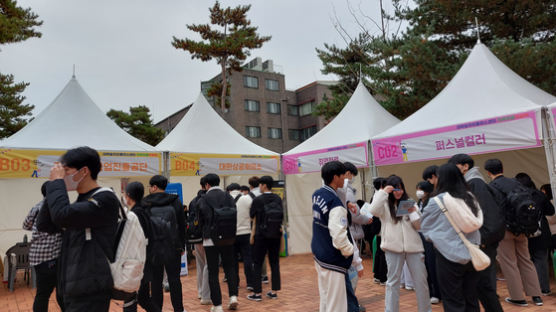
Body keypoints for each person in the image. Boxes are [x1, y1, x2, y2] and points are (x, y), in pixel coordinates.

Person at [35, 146, 119, 312]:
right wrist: (52, 186)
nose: (62, 175)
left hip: (91, 289)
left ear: (84, 171)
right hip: (73, 287)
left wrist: (56, 184)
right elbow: (45, 224)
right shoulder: (81, 201)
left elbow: (61, 215)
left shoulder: (105, 198)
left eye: (66, 170)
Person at [421, 163, 483, 312]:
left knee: (453, 300)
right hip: (472, 252)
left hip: (448, 255)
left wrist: (438, 239)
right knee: (471, 298)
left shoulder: (436, 201)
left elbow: (425, 228)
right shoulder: (470, 197)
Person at [449, 153, 505, 312]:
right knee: (481, 288)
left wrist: (484, 240)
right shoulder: (471, 184)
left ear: (465, 166)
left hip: (483, 243)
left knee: (485, 288)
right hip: (481, 242)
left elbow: (489, 216)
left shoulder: (475, 184)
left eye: (455, 166)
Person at [484, 159, 543, 306]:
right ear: (502, 168)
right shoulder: (516, 183)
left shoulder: (492, 187)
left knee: (509, 263)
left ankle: (518, 298)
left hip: (505, 230)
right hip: (523, 228)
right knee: (526, 260)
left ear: (488, 172)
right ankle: (536, 296)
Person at [369, 175, 431, 312]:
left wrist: (414, 213)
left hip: (414, 248)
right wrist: (383, 192)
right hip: (392, 248)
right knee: (392, 283)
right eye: (395, 188)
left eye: (400, 188)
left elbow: (419, 226)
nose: (398, 191)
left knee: (421, 282)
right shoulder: (384, 204)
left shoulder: (409, 202)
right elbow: (372, 210)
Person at [312, 161, 354, 312]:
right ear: (336, 177)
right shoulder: (335, 203)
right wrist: (350, 251)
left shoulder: (317, 194)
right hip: (332, 258)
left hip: (320, 254)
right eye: (343, 176)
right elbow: (338, 236)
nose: (345, 179)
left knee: (325, 297)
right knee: (337, 305)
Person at [143, 175, 185, 312]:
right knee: (174, 280)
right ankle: (178, 309)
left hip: (153, 248)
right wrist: (182, 245)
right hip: (173, 246)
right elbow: (181, 225)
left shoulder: (145, 203)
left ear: (154, 187)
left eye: (150, 186)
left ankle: (157, 309)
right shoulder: (175, 201)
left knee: (155, 282)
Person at [198, 173, 239, 312]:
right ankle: (233, 296)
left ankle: (218, 305)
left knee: (213, 272)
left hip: (210, 239)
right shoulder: (228, 196)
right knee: (230, 267)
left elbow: (200, 220)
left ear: (207, 185)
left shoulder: (204, 199)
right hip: (228, 237)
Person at [22, 181, 63, 312]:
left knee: (42, 294)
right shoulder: (57, 207)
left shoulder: (36, 207)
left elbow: (25, 225)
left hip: (37, 258)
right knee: (61, 292)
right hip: (52, 256)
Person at [122, 182, 161, 312]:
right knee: (143, 298)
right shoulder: (144, 211)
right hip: (146, 259)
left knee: (130, 299)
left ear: (128, 196)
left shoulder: (134, 215)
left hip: (136, 262)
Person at [515, 173, 554, 296]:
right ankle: (544, 289)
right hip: (541, 231)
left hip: (523, 232)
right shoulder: (540, 195)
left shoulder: (516, 196)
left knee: (526, 261)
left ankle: (531, 290)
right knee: (541, 260)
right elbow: (551, 211)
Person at [247, 176, 284, 301]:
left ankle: (257, 294)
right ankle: (274, 291)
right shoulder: (278, 198)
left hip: (260, 235)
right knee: (274, 262)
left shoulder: (258, 200)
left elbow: (252, 216)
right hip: (275, 235)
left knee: (257, 263)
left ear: (263, 185)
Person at [415, 181, 441, 304]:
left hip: (430, 237)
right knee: (425, 265)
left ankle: (436, 292)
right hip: (420, 236)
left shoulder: (432, 201)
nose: (418, 192)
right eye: (417, 189)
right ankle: (430, 291)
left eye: (420, 189)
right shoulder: (418, 202)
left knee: (432, 265)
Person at [228, 183, 255, 292]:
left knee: (233, 260)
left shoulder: (225, 198)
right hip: (245, 232)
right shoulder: (246, 198)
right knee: (247, 258)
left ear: (229, 190)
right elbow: (253, 213)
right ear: (239, 190)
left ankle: (236, 283)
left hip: (230, 235)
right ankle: (250, 283)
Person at [189, 177, 211, 305]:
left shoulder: (193, 201)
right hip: (208, 236)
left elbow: (191, 222)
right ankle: (206, 293)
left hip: (196, 237)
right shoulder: (209, 200)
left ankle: (200, 291)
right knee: (209, 265)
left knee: (200, 264)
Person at [248, 176, 268, 283]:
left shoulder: (249, 196)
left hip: (254, 225)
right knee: (263, 251)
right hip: (266, 225)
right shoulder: (265, 194)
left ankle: (257, 275)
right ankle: (264, 275)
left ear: (250, 185)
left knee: (254, 252)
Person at [368, 177, 387, 285]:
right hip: (381, 227)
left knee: (379, 252)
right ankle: (383, 277)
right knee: (382, 253)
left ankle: (378, 275)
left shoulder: (374, 196)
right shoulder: (379, 196)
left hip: (377, 228)